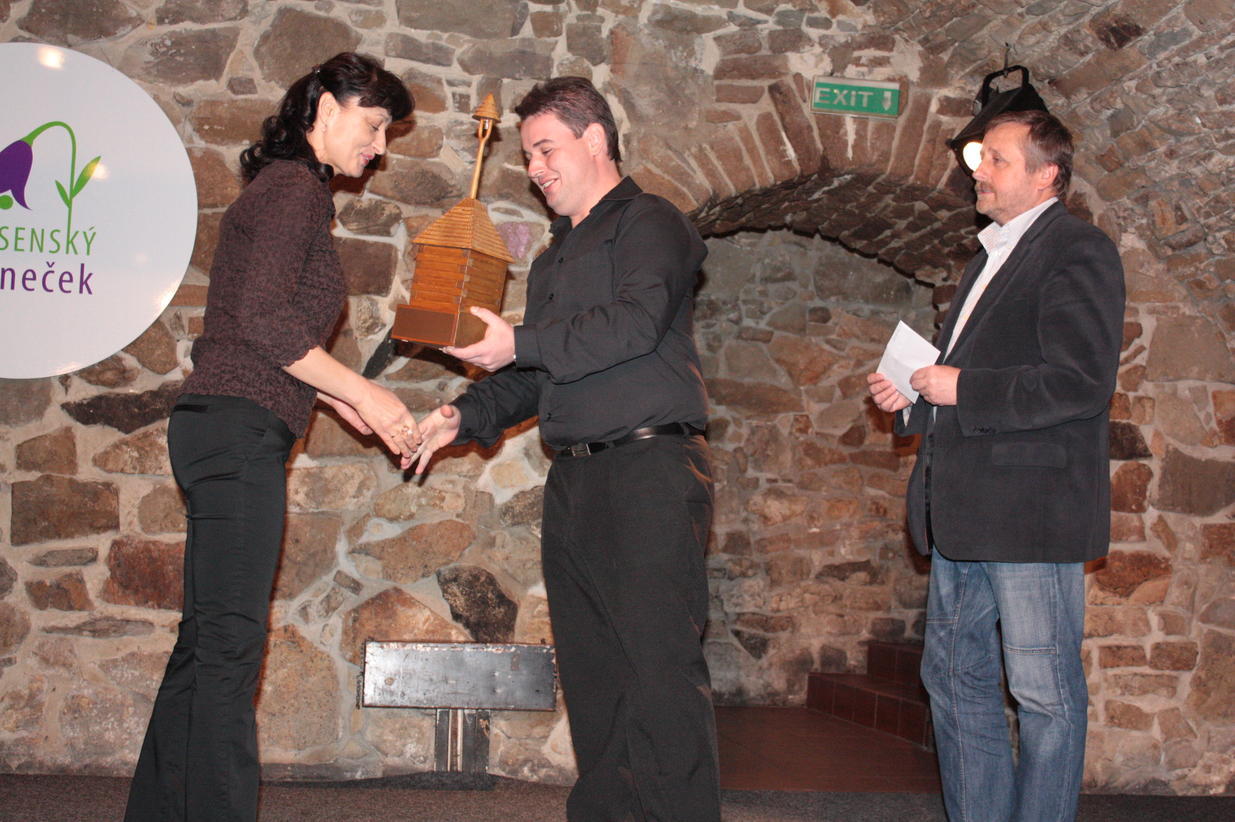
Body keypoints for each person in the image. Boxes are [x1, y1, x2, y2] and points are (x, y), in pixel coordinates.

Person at [410, 77, 720, 822]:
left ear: (596, 139)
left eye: (546, 149)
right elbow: (536, 373)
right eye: (528, 156)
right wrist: (460, 415)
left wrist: (518, 341)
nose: (536, 168)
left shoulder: (651, 221)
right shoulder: (552, 260)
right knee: (593, 678)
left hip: (649, 471)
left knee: (659, 676)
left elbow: (633, 324)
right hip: (576, 482)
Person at [124, 53, 415, 822]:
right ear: (325, 106)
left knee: (205, 645)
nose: (378, 146)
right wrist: (364, 391)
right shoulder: (294, 189)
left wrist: (337, 400)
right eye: (373, 124)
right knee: (229, 651)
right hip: (236, 431)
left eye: (387, 133)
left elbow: (262, 333)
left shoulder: (288, 188)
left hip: (222, 425)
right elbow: (262, 319)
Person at [867, 109, 1125, 822]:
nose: (977, 171)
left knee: (1043, 693)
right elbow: (958, 382)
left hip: (1029, 518)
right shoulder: (985, 260)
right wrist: (913, 397)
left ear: (1047, 175)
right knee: (954, 683)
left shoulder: (1078, 250)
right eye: (979, 159)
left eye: (997, 160)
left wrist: (963, 388)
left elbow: (1080, 382)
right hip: (962, 513)